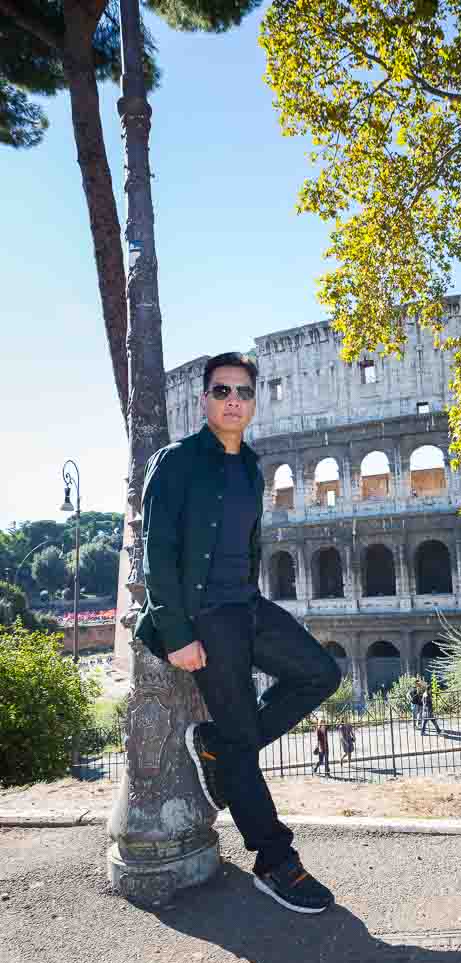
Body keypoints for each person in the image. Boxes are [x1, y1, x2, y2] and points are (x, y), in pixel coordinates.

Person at [134, 352, 341, 915]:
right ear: (204, 400)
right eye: (222, 390)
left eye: (242, 392)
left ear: (253, 402)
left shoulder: (250, 466)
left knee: (321, 673)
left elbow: (247, 548)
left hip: (245, 605)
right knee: (242, 732)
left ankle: (222, 748)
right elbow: (157, 549)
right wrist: (177, 631)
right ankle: (275, 860)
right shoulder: (175, 463)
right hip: (204, 616)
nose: (232, 400)